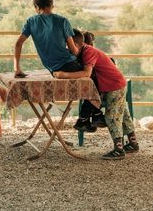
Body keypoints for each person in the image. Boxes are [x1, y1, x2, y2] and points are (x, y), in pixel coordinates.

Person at [53, 30, 139, 160]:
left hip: (114, 86)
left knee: (112, 116)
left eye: (68, 44)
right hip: (113, 85)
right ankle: (133, 143)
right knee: (124, 115)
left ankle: (119, 149)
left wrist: (63, 75)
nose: (66, 47)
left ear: (75, 44)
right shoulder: (84, 51)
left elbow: (87, 73)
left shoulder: (88, 52)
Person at [13, 0, 80, 76]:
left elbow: (18, 44)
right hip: (70, 65)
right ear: (52, 6)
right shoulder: (63, 21)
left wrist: (17, 68)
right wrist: (79, 50)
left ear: (36, 7)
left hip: (53, 69)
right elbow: (73, 50)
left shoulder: (31, 22)